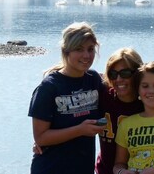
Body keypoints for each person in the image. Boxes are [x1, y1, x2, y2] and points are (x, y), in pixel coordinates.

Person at [28, 22, 106, 174]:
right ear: (66, 51)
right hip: (51, 168)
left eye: (90, 49)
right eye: (79, 49)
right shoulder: (49, 87)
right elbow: (41, 138)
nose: (86, 55)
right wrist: (80, 130)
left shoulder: (94, 80)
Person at [96, 47, 145, 174]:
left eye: (125, 73)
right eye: (113, 74)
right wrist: (44, 138)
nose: (118, 79)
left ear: (138, 73)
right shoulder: (102, 94)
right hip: (104, 170)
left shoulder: (149, 100)